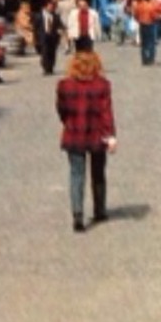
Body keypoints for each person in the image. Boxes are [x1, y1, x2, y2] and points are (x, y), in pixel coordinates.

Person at [56, 37, 116, 232]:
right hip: (97, 133)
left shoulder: (64, 85)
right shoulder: (102, 85)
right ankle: (100, 209)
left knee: (76, 174)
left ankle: (78, 214)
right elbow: (106, 112)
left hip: (74, 132)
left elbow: (62, 110)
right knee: (98, 172)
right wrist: (111, 136)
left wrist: (69, 122)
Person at [37, 0, 65, 75]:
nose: (51, 8)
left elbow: (61, 25)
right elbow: (36, 27)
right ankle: (46, 68)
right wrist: (36, 38)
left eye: (52, 7)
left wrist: (61, 29)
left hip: (53, 37)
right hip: (43, 36)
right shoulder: (39, 16)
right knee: (45, 52)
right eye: (50, 6)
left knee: (52, 53)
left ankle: (51, 67)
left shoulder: (55, 16)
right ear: (45, 7)